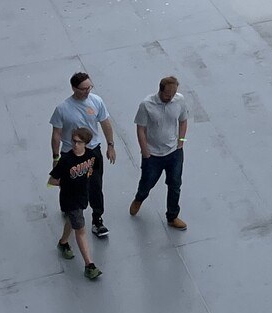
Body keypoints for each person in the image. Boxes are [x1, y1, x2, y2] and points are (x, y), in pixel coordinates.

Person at [50, 71, 115, 237]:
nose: (87, 91)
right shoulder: (63, 109)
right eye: (83, 89)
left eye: (89, 87)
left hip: (92, 151)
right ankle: (69, 209)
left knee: (95, 185)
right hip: (70, 154)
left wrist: (110, 145)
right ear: (73, 88)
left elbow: (105, 123)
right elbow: (56, 134)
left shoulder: (96, 101)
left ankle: (97, 220)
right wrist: (56, 157)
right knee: (69, 187)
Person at [130, 75, 188, 230]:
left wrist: (181, 142)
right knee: (147, 182)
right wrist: (145, 152)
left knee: (175, 184)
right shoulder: (146, 105)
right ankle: (139, 198)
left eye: (173, 94)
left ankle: (172, 216)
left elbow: (183, 120)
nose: (170, 97)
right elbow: (140, 129)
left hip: (174, 152)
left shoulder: (179, 100)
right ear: (160, 90)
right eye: (168, 94)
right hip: (153, 154)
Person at [49, 127, 104, 281]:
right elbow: (52, 180)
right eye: (73, 141)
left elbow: (94, 171)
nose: (75, 144)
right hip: (69, 198)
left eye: (79, 142)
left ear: (86, 143)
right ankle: (89, 265)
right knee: (80, 229)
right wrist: (65, 182)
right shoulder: (66, 160)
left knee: (73, 221)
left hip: (82, 196)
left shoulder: (92, 156)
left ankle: (63, 242)